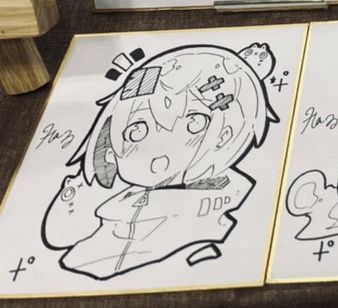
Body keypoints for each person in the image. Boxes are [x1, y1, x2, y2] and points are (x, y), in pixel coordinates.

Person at [43, 44, 276, 279]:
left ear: (223, 137)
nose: (149, 145)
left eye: (193, 124)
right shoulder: (118, 201)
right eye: (136, 128)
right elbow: (59, 236)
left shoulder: (200, 214)